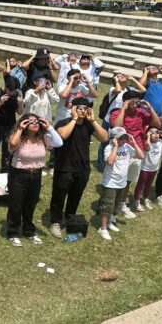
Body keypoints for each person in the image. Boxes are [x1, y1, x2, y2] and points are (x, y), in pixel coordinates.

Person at [48, 98, 109, 238]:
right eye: (80, 107)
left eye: (85, 108)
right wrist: (74, 119)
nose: (83, 110)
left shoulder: (88, 125)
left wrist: (93, 121)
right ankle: (55, 221)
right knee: (59, 195)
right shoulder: (63, 123)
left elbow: (104, 138)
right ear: (73, 109)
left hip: (83, 168)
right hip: (64, 167)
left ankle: (70, 217)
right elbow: (63, 135)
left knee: (76, 196)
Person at [5, 115, 63, 246]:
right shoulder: (18, 137)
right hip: (18, 174)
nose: (34, 123)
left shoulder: (43, 138)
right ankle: (13, 232)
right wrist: (20, 127)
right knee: (16, 205)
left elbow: (59, 143)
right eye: (30, 122)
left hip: (36, 175)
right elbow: (12, 144)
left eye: (37, 121)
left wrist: (49, 127)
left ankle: (29, 231)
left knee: (30, 205)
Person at [109, 90, 161, 214]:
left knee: (128, 180)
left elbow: (157, 123)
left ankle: (121, 204)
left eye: (137, 103)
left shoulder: (141, 112)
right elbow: (117, 127)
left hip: (136, 150)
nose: (135, 106)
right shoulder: (116, 112)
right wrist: (123, 109)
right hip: (121, 150)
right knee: (117, 178)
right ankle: (112, 202)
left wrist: (149, 107)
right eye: (131, 103)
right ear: (125, 102)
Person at [97, 127, 144, 241]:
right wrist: (115, 146)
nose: (124, 139)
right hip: (110, 182)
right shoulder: (109, 148)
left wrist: (133, 142)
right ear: (114, 139)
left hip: (121, 182)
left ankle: (109, 222)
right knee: (107, 205)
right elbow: (110, 161)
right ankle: (103, 228)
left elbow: (141, 156)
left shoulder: (128, 147)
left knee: (115, 205)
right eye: (121, 138)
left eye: (125, 137)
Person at [0, 75, 23, 176]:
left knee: (7, 152)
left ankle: (5, 173)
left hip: (10, 127)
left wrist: (20, 104)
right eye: (11, 91)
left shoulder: (16, 95)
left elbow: (20, 112)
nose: (13, 93)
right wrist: (0, 103)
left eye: (15, 91)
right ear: (5, 87)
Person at [133, 127, 162, 210]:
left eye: (157, 132)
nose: (156, 134)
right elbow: (147, 148)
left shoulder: (160, 142)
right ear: (148, 134)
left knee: (148, 185)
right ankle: (136, 200)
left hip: (154, 168)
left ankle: (146, 198)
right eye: (152, 132)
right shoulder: (146, 143)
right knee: (140, 185)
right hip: (144, 168)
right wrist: (148, 137)